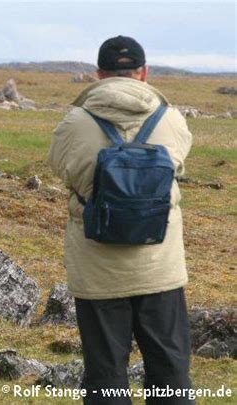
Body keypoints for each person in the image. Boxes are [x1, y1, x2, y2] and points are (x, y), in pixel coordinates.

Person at [48, 35, 194, 404]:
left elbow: (59, 168)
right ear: (143, 73)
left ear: (99, 74)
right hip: (160, 267)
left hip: (97, 270)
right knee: (170, 370)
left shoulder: (74, 122)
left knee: (106, 373)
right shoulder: (171, 119)